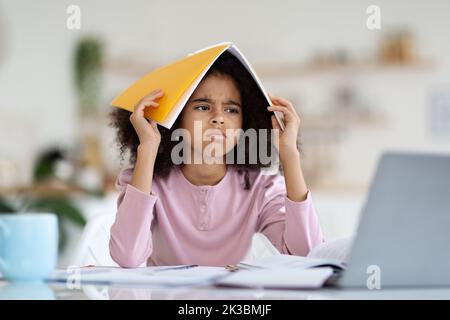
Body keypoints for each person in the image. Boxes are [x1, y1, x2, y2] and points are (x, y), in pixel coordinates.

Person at [109, 52, 324, 267]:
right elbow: (128, 257)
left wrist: (290, 154)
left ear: (244, 123)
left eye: (231, 109)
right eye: (203, 107)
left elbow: (305, 255)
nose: (218, 118)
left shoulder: (262, 188)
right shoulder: (145, 182)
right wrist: (147, 148)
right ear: (176, 117)